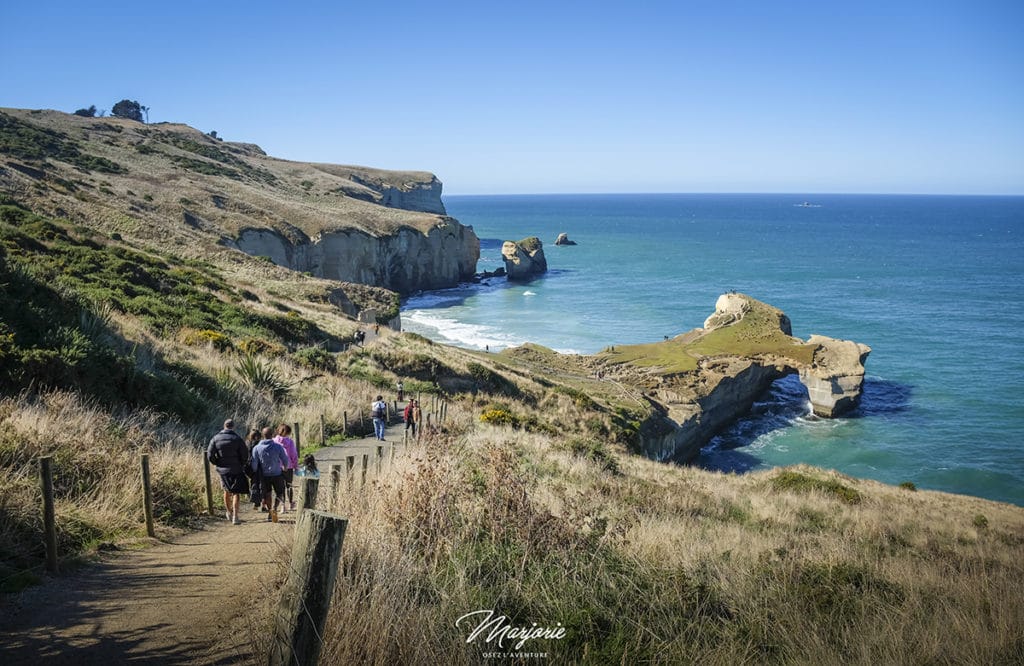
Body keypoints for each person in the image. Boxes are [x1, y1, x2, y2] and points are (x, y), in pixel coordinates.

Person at [207, 419, 249, 525]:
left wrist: (217, 463)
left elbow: (210, 455)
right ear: (233, 427)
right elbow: (245, 454)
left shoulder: (215, 438)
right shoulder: (237, 439)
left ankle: (228, 512)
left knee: (226, 490)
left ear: (224, 426)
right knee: (236, 492)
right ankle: (235, 516)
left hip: (223, 470)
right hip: (236, 469)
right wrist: (241, 464)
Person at [250, 426, 289, 522]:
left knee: (267, 494)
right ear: (272, 435)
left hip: (264, 475)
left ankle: (270, 511)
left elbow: (254, 464)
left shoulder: (256, 448)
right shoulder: (278, 446)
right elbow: (285, 459)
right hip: (277, 473)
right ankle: (275, 508)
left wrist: (254, 471)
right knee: (280, 493)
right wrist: (285, 467)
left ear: (263, 435)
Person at [273, 424, 298, 512]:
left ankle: (283, 506)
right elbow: (293, 454)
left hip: (277, 467)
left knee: (281, 487)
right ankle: (291, 504)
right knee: (289, 485)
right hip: (289, 466)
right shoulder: (290, 442)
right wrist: (295, 466)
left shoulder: (274, 441)